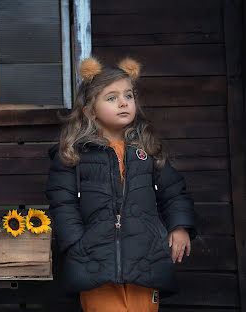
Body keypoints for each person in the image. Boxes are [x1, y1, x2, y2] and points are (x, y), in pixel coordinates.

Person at [45, 57, 197, 312]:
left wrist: (180, 227)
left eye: (128, 95)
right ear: (90, 109)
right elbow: (62, 203)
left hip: (145, 257)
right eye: (111, 97)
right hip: (93, 259)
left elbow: (174, 192)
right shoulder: (73, 155)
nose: (124, 102)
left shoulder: (147, 150)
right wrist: (75, 243)